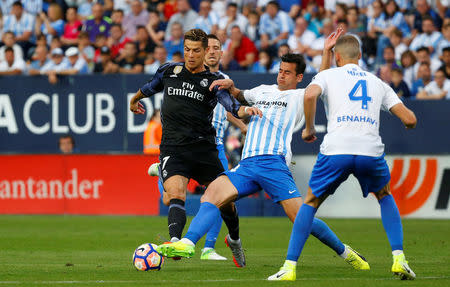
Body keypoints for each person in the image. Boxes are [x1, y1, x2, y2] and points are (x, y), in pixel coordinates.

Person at [157, 30, 371, 273]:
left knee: (301, 218)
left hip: (274, 165)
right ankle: (187, 243)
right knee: (212, 194)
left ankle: (345, 251)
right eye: (280, 70)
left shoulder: (301, 96)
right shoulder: (261, 91)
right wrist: (231, 85)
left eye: (287, 72)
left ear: (299, 77)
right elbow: (238, 97)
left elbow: (320, 81)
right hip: (247, 164)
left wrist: (325, 52)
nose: (281, 75)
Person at [268, 34, 417, 281]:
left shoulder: (328, 75)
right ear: (359, 56)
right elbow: (410, 119)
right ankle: (400, 259)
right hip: (370, 151)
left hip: (336, 150)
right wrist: (408, 125)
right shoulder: (377, 82)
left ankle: (289, 267)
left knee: (310, 203)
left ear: (337, 57)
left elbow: (309, 95)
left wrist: (309, 129)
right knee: (384, 195)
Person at [129, 29, 261, 251]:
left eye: (196, 51)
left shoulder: (213, 81)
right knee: (175, 195)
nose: (190, 55)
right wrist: (134, 99)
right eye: (187, 50)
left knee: (225, 202)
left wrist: (247, 110)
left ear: (205, 51)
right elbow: (149, 87)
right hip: (173, 146)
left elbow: (232, 108)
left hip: (203, 150)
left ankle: (235, 239)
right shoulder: (169, 71)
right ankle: (174, 243)